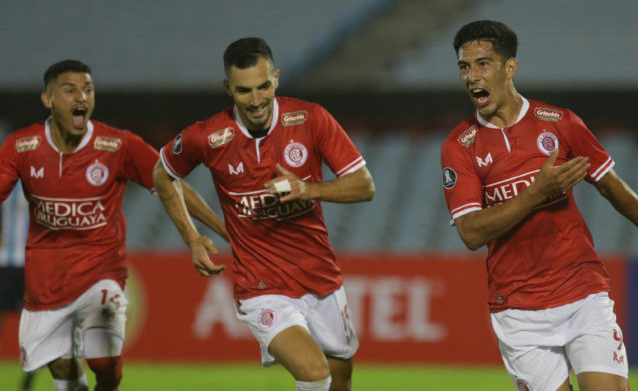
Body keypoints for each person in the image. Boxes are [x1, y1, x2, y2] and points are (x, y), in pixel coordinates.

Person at [440, 20, 638, 391]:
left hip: (581, 292)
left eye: (483, 64)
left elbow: (611, 186)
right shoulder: (459, 146)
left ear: (509, 67)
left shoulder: (560, 123)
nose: (472, 76)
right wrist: (536, 192)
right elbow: (470, 232)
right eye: (464, 67)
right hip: (516, 308)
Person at [153, 37, 375, 391]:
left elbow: (365, 186)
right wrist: (194, 237)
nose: (256, 101)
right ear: (228, 87)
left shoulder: (311, 118)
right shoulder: (208, 136)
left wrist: (308, 189)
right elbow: (163, 174)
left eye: (263, 86)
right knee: (314, 372)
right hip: (261, 286)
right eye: (244, 91)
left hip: (320, 276)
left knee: (340, 380)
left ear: (276, 78)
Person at [0, 60, 227, 391]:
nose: (82, 97)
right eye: (70, 90)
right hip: (46, 279)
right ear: (48, 100)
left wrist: (210, 231)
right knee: (62, 367)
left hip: (100, 271)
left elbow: (170, 183)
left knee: (103, 358)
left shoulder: (118, 145)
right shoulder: (22, 147)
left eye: (88, 89)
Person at [0, 182, 35, 391]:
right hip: (4, 262)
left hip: (32, 263)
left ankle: (27, 384)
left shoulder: (38, 176)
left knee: (37, 325)